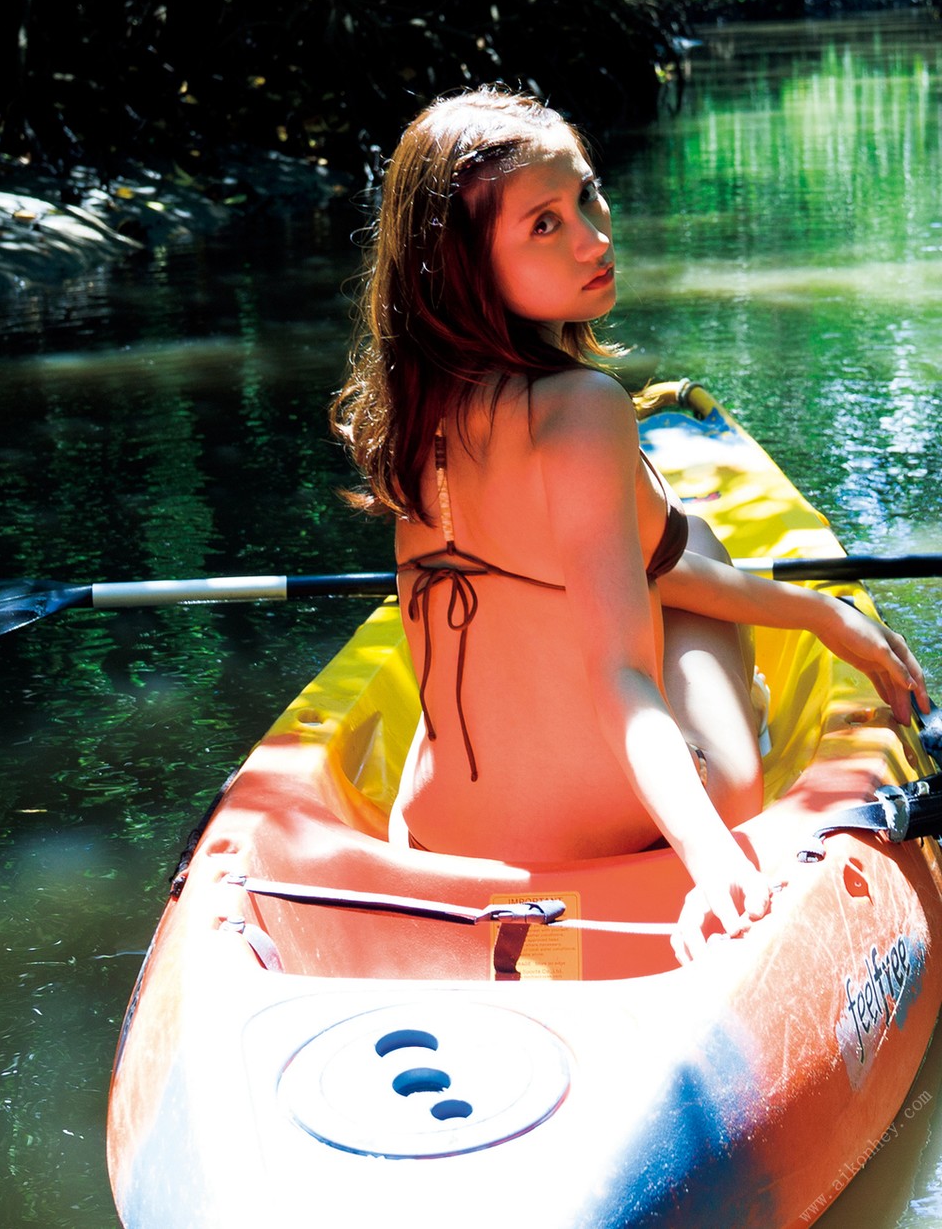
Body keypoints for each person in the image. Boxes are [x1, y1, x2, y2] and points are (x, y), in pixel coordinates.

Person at [331, 86, 929, 962]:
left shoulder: (411, 417)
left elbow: (621, 569)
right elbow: (620, 673)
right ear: (462, 264)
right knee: (693, 556)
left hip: (433, 831)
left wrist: (819, 613)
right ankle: (745, 721)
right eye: (544, 223)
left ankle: (740, 588)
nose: (594, 235)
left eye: (587, 195)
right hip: (619, 839)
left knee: (654, 562)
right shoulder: (581, 407)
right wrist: (712, 856)